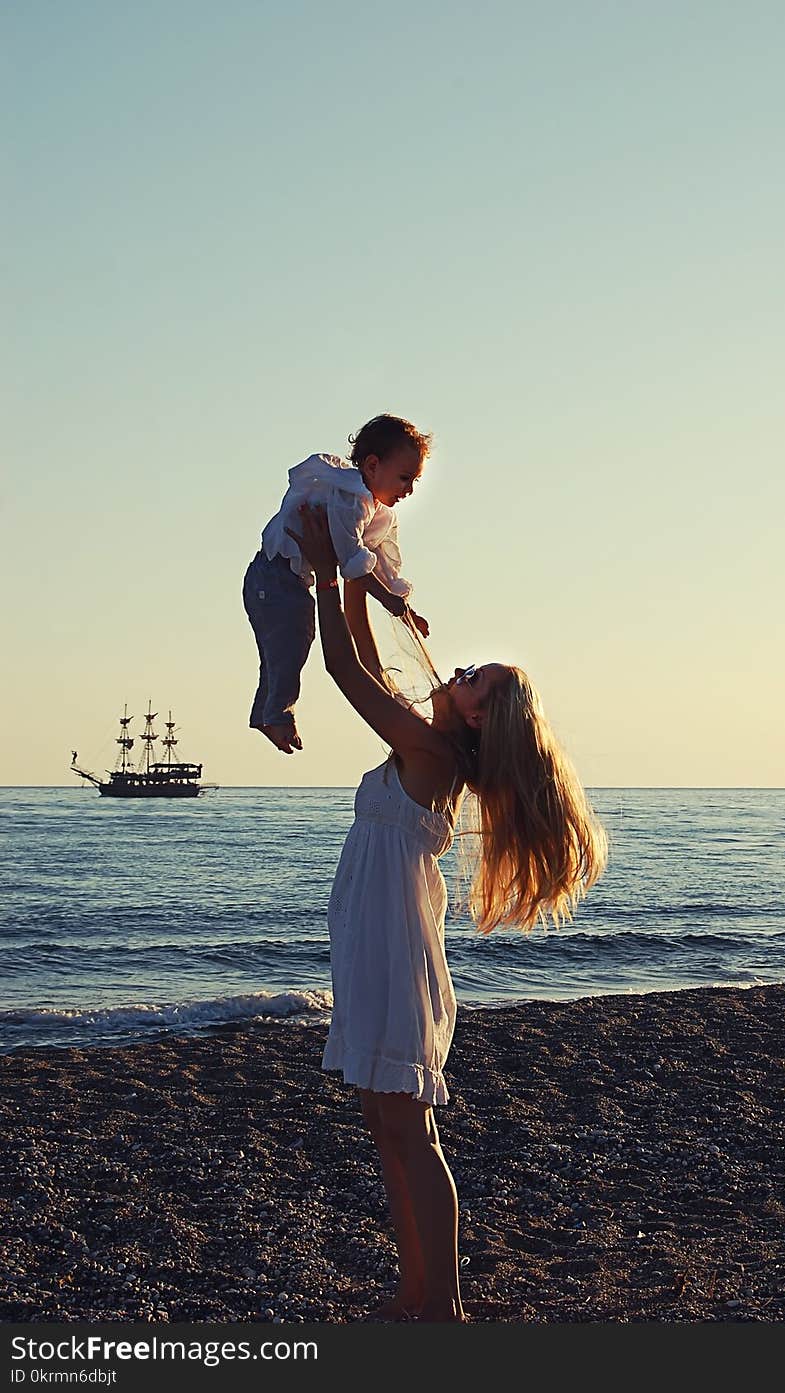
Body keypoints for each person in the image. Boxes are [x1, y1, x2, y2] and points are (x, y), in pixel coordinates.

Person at [290, 502, 608, 1323]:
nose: (456, 674)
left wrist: (329, 570)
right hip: (375, 939)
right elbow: (361, 650)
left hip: (394, 947)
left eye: (473, 680)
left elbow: (341, 668)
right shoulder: (427, 741)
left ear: (476, 717)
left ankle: (446, 1305)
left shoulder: (430, 751)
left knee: (412, 1133)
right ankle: (415, 1290)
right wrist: (359, 573)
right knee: (386, 1130)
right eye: (469, 669)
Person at [242, 414, 432, 754]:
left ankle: (268, 714)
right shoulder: (352, 499)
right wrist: (389, 601)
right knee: (290, 643)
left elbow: (381, 565)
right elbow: (352, 563)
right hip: (273, 576)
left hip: (281, 579)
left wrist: (405, 609)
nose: (410, 489)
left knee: (281, 649)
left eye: (415, 481)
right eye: (405, 478)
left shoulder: (377, 512)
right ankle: (278, 714)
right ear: (373, 466)